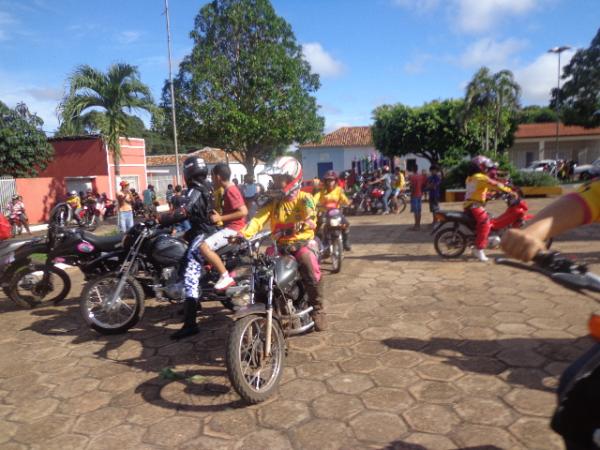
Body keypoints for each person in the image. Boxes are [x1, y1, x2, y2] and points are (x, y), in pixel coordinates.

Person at [241, 156, 327, 331]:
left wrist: (302, 223)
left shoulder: (305, 198)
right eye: (273, 180)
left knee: (309, 265)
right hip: (280, 246)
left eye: (279, 180)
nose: (274, 184)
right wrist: (242, 234)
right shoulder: (273, 202)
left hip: (301, 244)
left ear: (292, 179)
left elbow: (311, 218)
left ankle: (318, 309)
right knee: (263, 272)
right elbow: (257, 220)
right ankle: (267, 309)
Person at [163, 156, 217, 340]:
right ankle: (192, 305)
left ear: (188, 173)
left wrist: (161, 219)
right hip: (204, 231)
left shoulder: (196, 190)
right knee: (183, 262)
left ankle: (190, 324)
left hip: (202, 235)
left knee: (190, 277)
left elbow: (184, 211)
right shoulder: (208, 186)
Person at [194, 163, 248, 291]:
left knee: (203, 246)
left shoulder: (231, 190)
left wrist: (220, 218)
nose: (211, 180)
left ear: (218, 177)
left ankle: (225, 276)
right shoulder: (227, 190)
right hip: (230, 227)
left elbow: (243, 211)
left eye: (212, 177)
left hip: (234, 229)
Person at [464, 155, 514, 262]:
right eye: (485, 166)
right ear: (480, 166)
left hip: (471, 204)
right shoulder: (480, 177)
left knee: (490, 219)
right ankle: (479, 249)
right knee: (485, 223)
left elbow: (479, 190)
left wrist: (491, 195)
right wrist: (509, 191)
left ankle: (478, 244)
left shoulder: (472, 177)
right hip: (474, 206)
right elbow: (495, 184)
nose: (487, 168)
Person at [314, 170, 352, 251]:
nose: (330, 182)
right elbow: (314, 199)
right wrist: (312, 204)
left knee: (346, 224)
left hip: (336, 212)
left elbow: (344, 199)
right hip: (324, 213)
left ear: (335, 181)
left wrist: (348, 203)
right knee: (319, 228)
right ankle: (321, 245)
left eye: (332, 180)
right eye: (328, 180)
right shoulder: (321, 191)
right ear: (325, 181)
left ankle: (346, 242)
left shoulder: (339, 190)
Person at [408, 166, 427, 230]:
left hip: (414, 195)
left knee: (416, 211)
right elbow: (424, 184)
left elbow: (411, 186)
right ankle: (418, 224)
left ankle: (416, 225)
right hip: (420, 194)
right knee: (419, 210)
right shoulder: (421, 176)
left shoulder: (412, 177)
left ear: (413, 170)